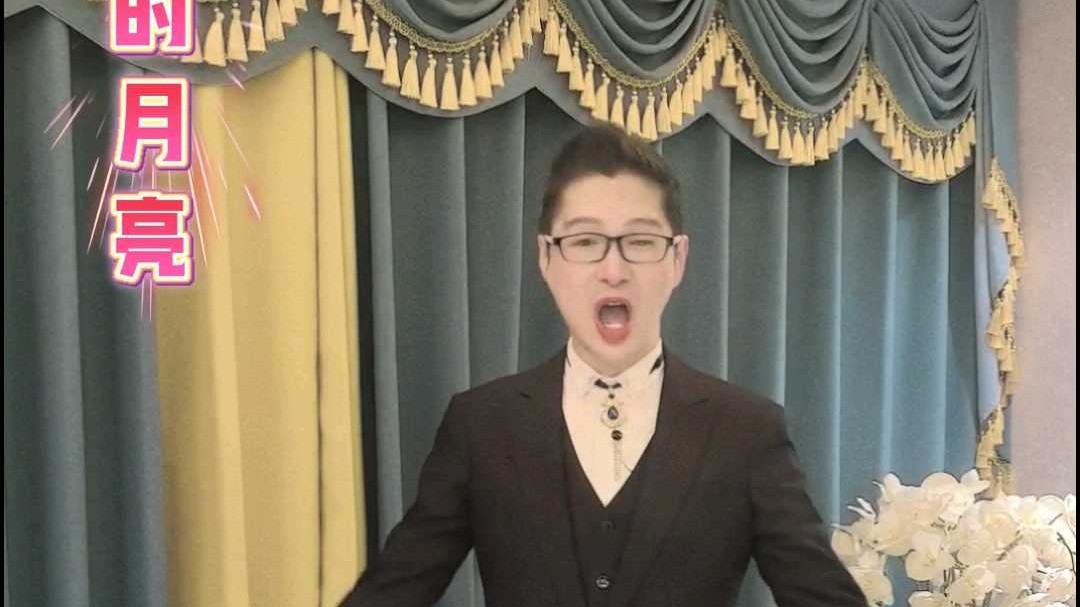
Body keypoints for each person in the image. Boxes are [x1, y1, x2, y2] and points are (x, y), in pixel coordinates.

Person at [341, 125, 867, 607]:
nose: (613, 270)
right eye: (585, 242)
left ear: (677, 259)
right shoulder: (480, 425)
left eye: (640, 242)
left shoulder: (747, 430)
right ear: (547, 259)